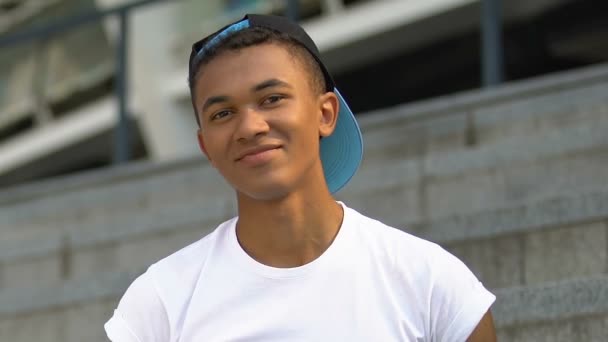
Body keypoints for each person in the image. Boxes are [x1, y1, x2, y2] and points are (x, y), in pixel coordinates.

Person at [104, 14, 497, 341]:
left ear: (325, 114)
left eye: (272, 99)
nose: (251, 126)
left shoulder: (431, 285)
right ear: (206, 146)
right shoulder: (157, 306)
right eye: (222, 113)